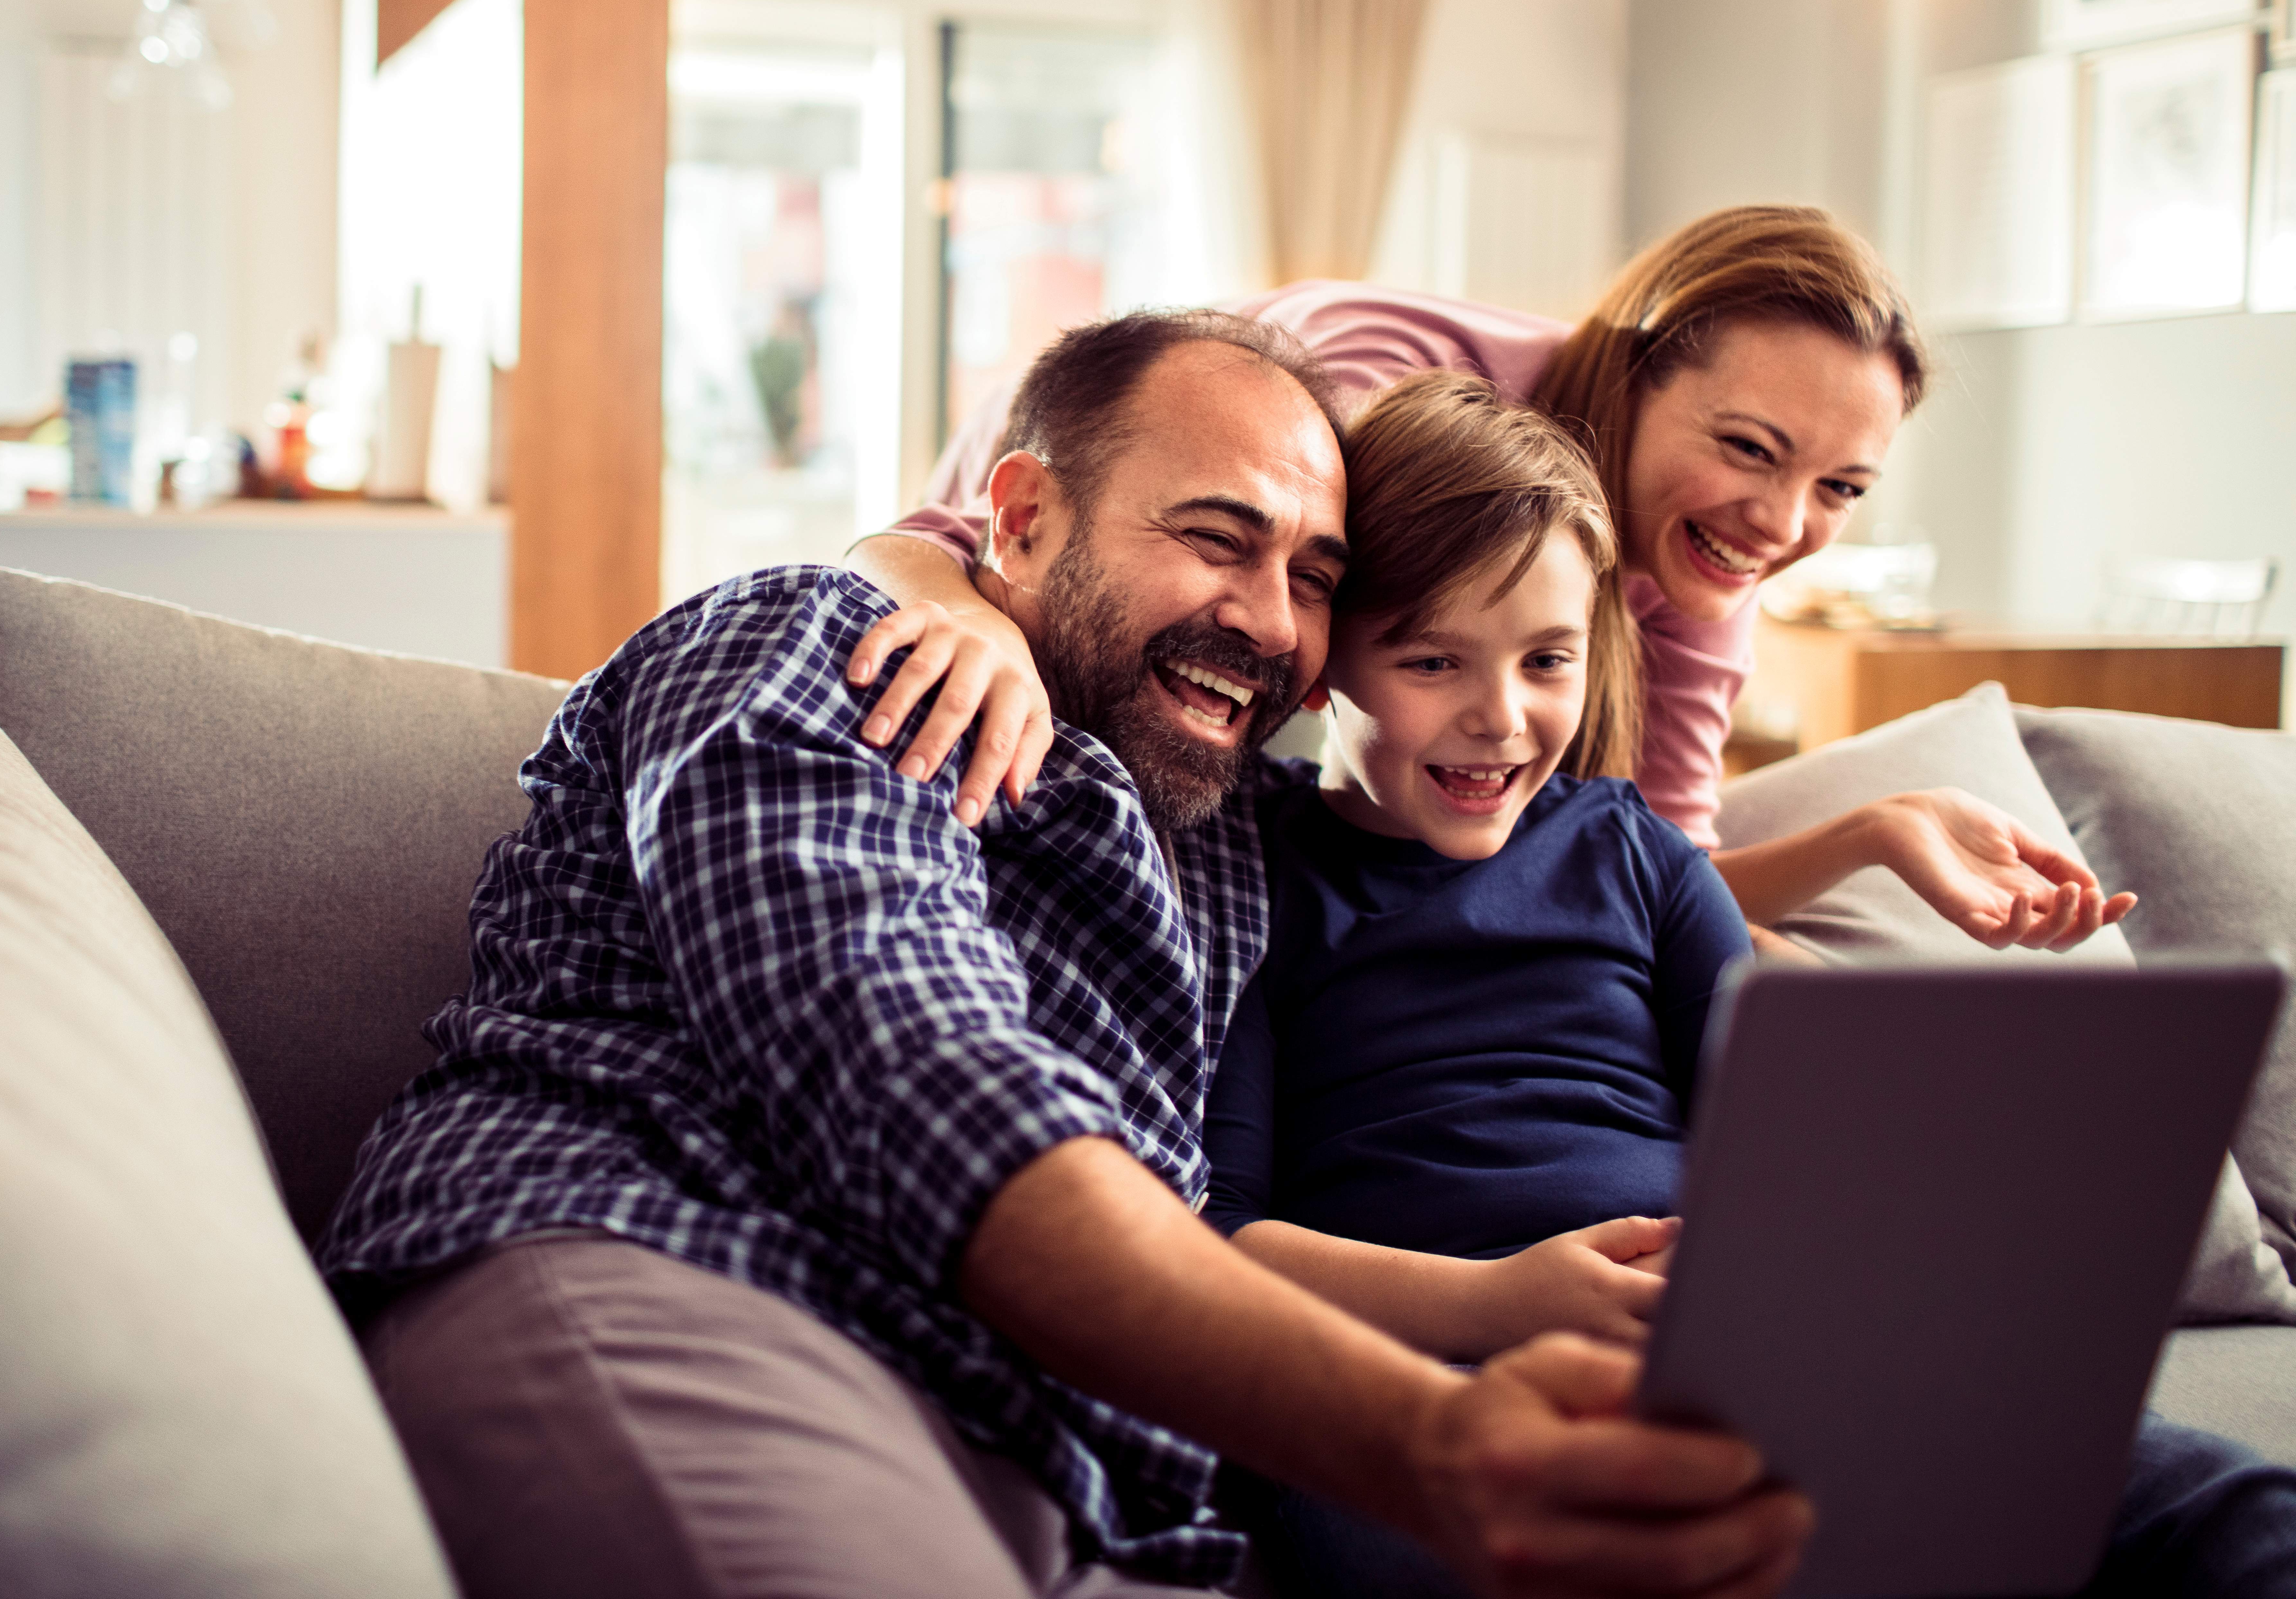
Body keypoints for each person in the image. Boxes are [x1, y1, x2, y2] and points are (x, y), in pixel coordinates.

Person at [318, 311, 1811, 1598]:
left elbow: (1517, 846)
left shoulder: (1238, 830)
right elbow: (916, 1078)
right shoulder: (829, 648)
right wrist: (1425, 1435)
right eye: (1218, 537)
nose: (1269, 620)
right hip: (695, 1275)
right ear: (1021, 516)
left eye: (1315, 575)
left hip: (1072, 1454)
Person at [1201, 372, 2295, 1599]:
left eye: (1548, 660)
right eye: (1433, 660)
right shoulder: (1253, 872)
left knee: (2229, 1505)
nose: (1500, 718)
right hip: (1427, 1379)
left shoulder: (1631, 851)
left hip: (1717, 1350)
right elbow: (1219, 1241)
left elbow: (1789, 1131)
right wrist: (1498, 1301)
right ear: (1322, 658)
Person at [841, 206, 2134, 955]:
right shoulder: (1378, 394)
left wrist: (1871, 836)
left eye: (1840, 489)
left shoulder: (1695, 584)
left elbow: (1662, 873)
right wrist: (976, 622)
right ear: (1630, 371)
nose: (1783, 521)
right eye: (1749, 448)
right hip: (1051, 571)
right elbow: (927, 537)